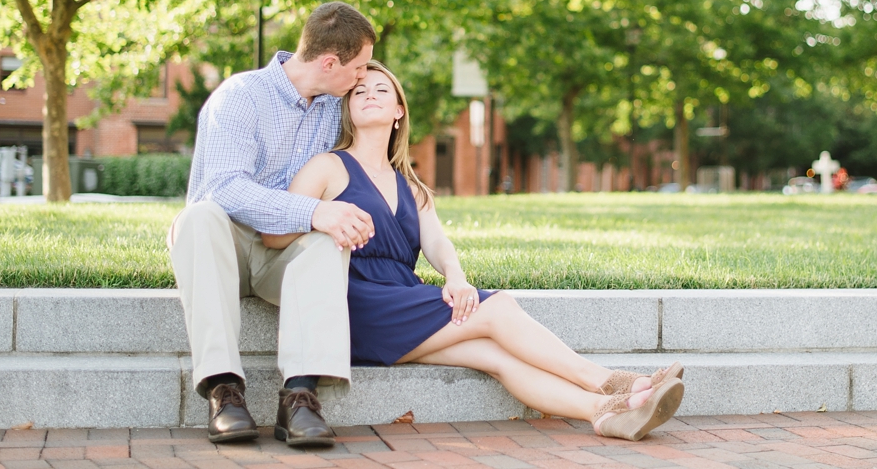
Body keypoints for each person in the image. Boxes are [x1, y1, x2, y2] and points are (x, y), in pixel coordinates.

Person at [266, 60, 686, 441]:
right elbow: (276, 232)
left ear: (399, 112)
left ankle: (607, 414)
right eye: (359, 92)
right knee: (498, 308)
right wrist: (321, 216)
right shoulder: (327, 166)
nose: (369, 95)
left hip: (402, 301)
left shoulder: (411, 186)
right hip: (355, 302)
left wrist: (456, 276)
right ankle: (609, 382)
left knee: (497, 357)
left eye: (381, 90)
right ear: (348, 111)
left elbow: (436, 242)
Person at [169, 1, 378, 447]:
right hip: (223, 245)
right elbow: (223, 187)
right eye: (358, 67)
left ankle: (299, 397)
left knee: (327, 242)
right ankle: (224, 391)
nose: (362, 76)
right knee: (199, 216)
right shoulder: (240, 96)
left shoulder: (331, 108)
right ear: (328, 62)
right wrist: (312, 211)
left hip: (281, 255)